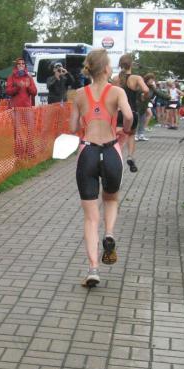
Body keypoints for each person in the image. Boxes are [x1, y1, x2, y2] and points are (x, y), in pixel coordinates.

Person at [69, 49, 132, 288]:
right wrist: (125, 130)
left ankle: (93, 268)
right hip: (111, 151)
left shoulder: (79, 94)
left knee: (90, 217)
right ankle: (110, 233)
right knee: (111, 199)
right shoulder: (117, 91)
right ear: (106, 69)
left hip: (88, 153)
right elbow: (128, 116)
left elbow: (73, 126)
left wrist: (85, 123)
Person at [112, 54, 149, 173]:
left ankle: (114, 159)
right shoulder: (136, 78)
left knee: (115, 137)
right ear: (131, 64)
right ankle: (130, 157)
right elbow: (146, 90)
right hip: (132, 112)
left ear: (120, 64)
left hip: (119, 112)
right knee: (131, 135)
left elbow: (111, 94)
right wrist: (143, 96)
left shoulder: (115, 79)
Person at [6, 58, 37, 158]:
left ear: (25, 65)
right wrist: (18, 87)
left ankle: (30, 151)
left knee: (30, 130)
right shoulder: (11, 77)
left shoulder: (29, 77)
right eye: (19, 63)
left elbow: (34, 92)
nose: (21, 65)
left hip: (27, 107)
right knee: (18, 131)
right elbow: (8, 91)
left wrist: (28, 87)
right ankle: (19, 153)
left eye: (23, 63)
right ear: (16, 65)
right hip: (16, 108)